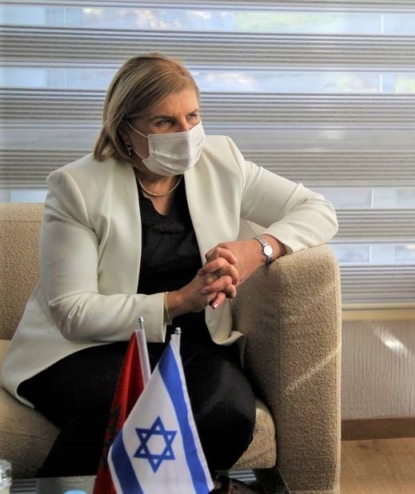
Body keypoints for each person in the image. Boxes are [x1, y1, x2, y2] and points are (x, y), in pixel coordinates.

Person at [0, 52, 338, 477]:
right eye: (165, 122)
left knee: (229, 415)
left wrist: (258, 249)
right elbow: (73, 311)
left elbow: (318, 209)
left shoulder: (222, 161)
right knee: (131, 409)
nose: (186, 133)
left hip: (190, 345)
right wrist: (178, 301)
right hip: (86, 349)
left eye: (192, 116)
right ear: (126, 128)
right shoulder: (78, 187)